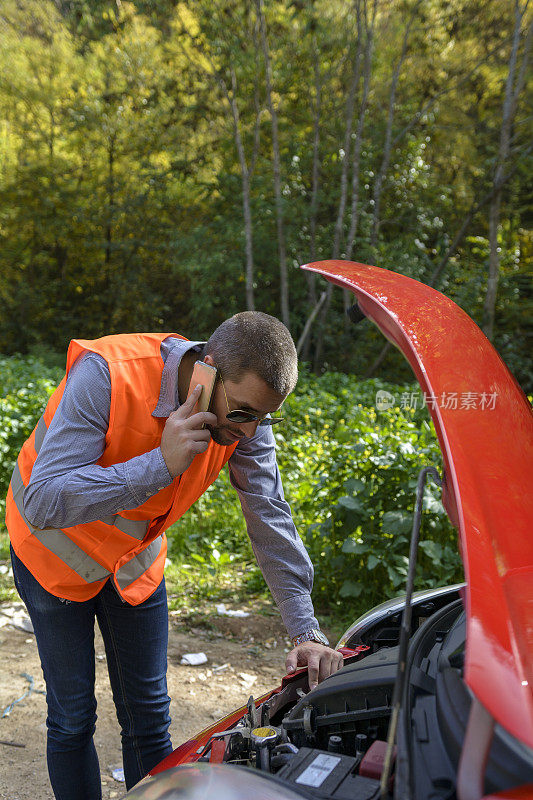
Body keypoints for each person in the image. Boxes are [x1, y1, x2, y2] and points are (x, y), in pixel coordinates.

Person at [6, 312, 343, 798]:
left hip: (132, 568)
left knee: (148, 715)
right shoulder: (106, 373)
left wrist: (306, 631)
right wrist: (158, 466)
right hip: (53, 559)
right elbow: (43, 500)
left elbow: (269, 516)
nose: (251, 433)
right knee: (72, 716)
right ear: (206, 371)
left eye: (265, 418)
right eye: (244, 413)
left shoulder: (245, 420)